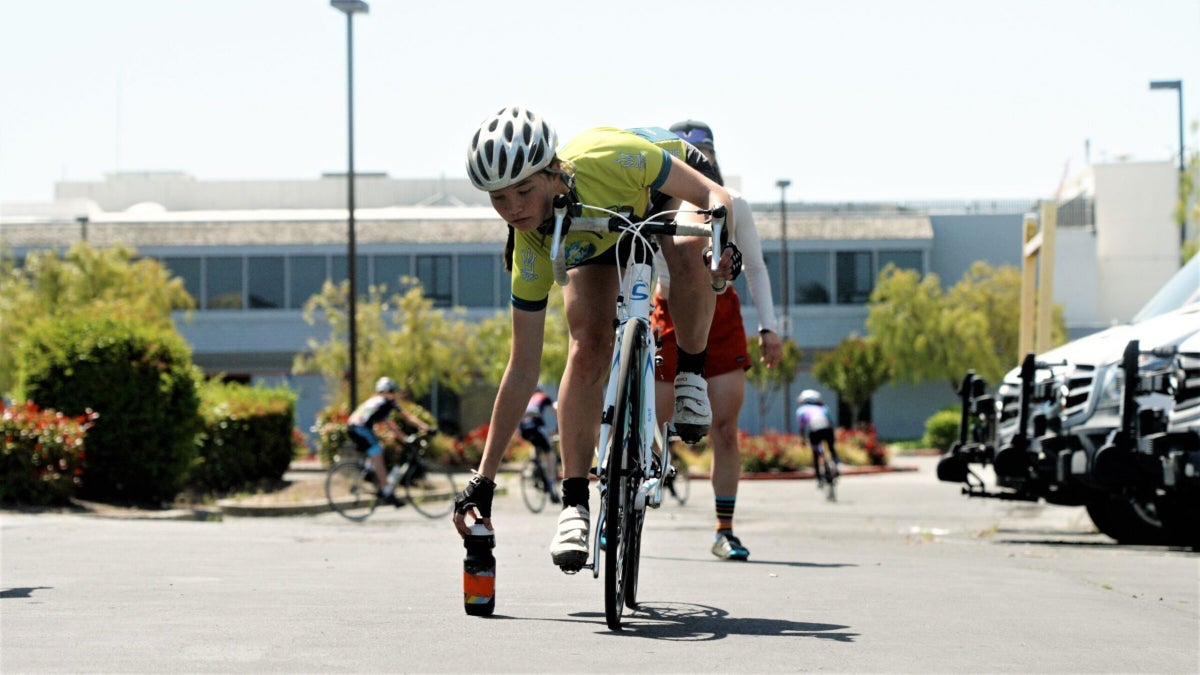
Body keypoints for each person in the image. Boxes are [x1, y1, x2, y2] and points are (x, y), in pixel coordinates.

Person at [453, 106, 735, 574]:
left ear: (552, 172)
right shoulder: (533, 243)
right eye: (499, 199)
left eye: (524, 190)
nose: (514, 208)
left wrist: (722, 248)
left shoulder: (610, 156)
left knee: (685, 254)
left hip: (662, 188)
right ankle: (574, 505)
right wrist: (483, 480)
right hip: (588, 226)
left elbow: (714, 193)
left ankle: (690, 376)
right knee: (588, 348)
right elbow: (522, 368)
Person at [648, 120, 784, 561]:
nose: (696, 162)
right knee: (652, 424)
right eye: (685, 154)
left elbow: (757, 268)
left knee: (724, 429)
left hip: (721, 317)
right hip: (667, 314)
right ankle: (622, 514)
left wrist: (769, 327)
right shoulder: (652, 202)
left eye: (702, 155)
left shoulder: (733, 205)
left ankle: (724, 529)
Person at [346, 376, 434, 506]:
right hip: (359, 428)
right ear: (387, 391)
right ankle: (387, 491)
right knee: (377, 450)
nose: (395, 394)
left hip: (353, 426)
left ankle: (369, 470)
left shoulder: (377, 401)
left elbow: (391, 425)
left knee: (376, 448)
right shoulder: (387, 403)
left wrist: (404, 438)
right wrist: (426, 428)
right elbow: (408, 418)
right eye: (393, 391)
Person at [519, 385, 560, 504]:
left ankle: (535, 464)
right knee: (550, 454)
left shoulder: (529, 399)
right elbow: (556, 411)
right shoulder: (544, 397)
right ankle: (552, 486)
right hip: (536, 425)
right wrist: (559, 428)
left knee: (535, 444)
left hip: (523, 428)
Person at [796, 389, 841, 477]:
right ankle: (836, 467)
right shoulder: (823, 407)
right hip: (827, 429)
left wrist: (803, 440)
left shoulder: (802, 410)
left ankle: (817, 474)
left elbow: (802, 427)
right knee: (831, 448)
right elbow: (830, 422)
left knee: (815, 451)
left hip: (815, 430)